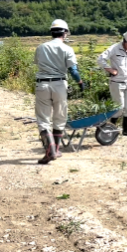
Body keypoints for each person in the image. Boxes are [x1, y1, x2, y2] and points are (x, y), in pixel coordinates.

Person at [34, 19, 84, 164]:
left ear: (52, 32)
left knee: (43, 119)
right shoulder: (67, 49)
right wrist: (80, 82)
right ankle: (55, 149)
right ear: (65, 33)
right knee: (59, 117)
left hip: (42, 85)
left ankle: (51, 150)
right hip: (60, 85)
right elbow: (73, 70)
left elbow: (39, 64)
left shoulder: (41, 48)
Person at [97, 30, 127, 136]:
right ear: (124, 41)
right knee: (119, 108)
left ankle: (126, 130)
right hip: (116, 82)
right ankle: (110, 128)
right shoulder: (114, 48)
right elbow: (100, 59)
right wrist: (111, 70)